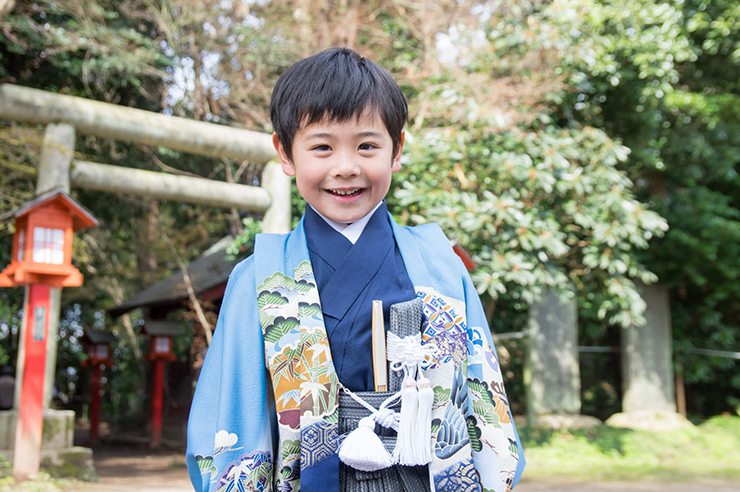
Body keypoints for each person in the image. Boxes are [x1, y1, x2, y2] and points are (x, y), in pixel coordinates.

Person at [186, 47, 525, 492]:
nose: (346, 168)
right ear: (285, 154)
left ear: (396, 150)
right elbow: (231, 411)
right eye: (322, 147)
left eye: (367, 145)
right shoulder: (256, 278)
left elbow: (482, 396)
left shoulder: (442, 266)